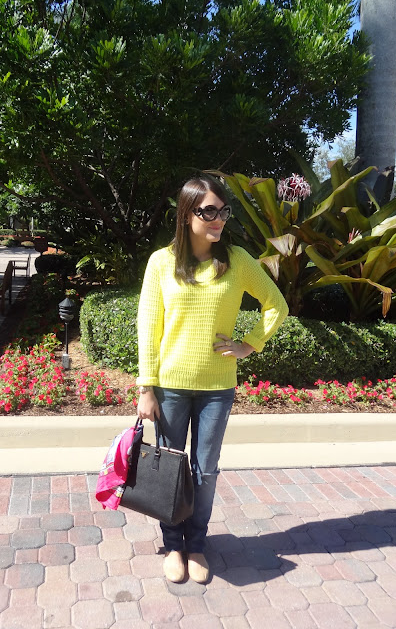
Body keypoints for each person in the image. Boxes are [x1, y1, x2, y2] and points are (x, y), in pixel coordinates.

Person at [136, 176, 288, 584]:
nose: (218, 219)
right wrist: (146, 387)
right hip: (170, 386)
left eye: (223, 211)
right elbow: (148, 326)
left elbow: (276, 304)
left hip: (218, 388)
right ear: (187, 215)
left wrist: (249, 344)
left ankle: (197, 544)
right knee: (170, 468)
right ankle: (173, 545)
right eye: (209, 212)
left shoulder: (237, 260)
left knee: (205, 471)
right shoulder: (161, 262)